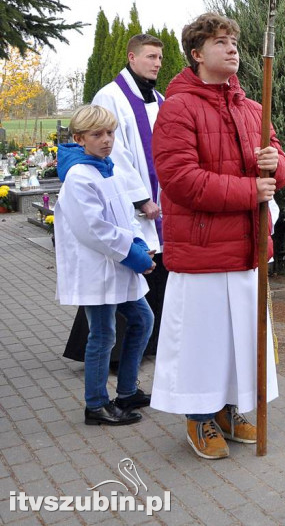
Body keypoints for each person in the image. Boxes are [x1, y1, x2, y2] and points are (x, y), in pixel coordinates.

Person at [150, 13, 285, 460]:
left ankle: (229, 409)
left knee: (240, 340)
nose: (231, 49)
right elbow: (179, 178)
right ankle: (198, 415)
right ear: (196, 54)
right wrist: (250, 190)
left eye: (234, 42)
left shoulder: (252, 108)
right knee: (203, 340)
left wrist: (274, 164)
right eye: (220, 42)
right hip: (203, 246)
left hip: (247, 249)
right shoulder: (178, 108)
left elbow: (280, 167)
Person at [64, 33, 168, 363]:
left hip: (158, 201)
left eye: (160, 58)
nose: (157, 63)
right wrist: (141, 199)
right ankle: (112, 357)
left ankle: (143, 350)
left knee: (148, 278)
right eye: (150, 56)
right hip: (134, 205)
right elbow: (117, 155)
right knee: (119, 281)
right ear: (132, 58)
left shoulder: (159, 98)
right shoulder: (110, 96)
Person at [54, 105, 155, 426]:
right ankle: (96, 404)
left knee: (143, 319)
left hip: (117, 265)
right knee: (103, 334)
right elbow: (94, 229)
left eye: (110, 133)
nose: (107, 140)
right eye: (97, 135)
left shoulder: (104, 168)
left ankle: (127, 391)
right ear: (79, 138)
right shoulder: (79, 177)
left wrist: (140, 243)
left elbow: (125, 214)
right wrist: (135, 255)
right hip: (97, 270)